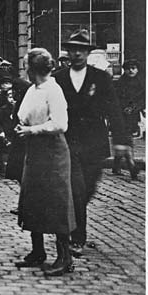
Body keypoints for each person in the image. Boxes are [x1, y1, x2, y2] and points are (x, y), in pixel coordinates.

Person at [53, 29, 130, 257]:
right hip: (69, 140)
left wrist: (121, 141)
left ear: (87, 53)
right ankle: (77, 237)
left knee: (87, 190)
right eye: (72, 49)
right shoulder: (58, 78)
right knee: (76, 190)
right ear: (67, 52)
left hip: (94, 142)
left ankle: (75, 222)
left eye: (81, 50)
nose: (76, 54)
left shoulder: (101, 78)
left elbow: (114, 110)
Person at [15, 48, 76, 276]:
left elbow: (61, 124)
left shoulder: (53, 90)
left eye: (27, 66)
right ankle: (37, 251)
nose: (26, 70)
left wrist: (32, 130)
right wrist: (22, 127)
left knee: (57, 200)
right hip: (35, 149)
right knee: (32, 198)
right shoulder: (33, 89)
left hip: (53, 151)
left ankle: (65, 257)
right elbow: (25, 114)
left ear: (34, 69)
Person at [112, 59, 145, 178]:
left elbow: (143, 100)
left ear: (137, 69)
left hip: (133, 115)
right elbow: (114, 99)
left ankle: (116, 165)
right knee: (126, 138)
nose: (131, 70)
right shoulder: (119, 83)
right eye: (128, 68)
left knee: (125, 138)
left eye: (133, 68)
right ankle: (131, 166)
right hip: (119, 115)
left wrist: (134, 107)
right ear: (124, 70)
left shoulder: (141, 83)